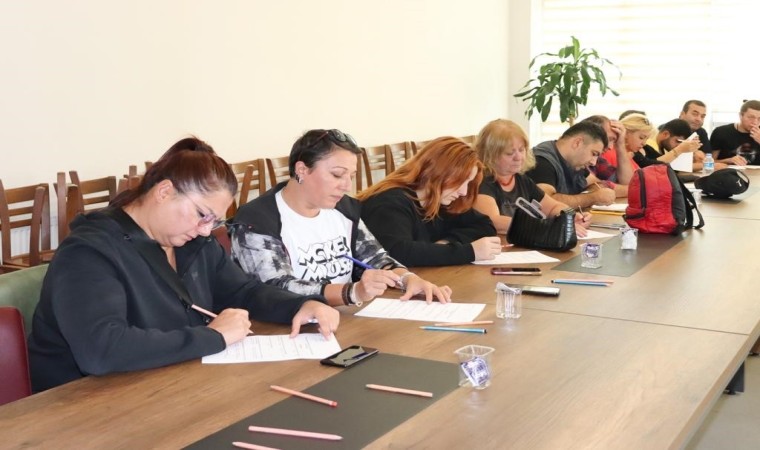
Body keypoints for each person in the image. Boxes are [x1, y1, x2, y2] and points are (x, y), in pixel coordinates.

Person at [27, 137, 339, 392]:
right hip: (84, 407)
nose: (206, 230)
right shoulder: (88, 252)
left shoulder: (192, 242)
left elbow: (243, 292)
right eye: (202, 215)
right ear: (164, 192)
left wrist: (301, 305)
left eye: (214, 221)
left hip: (168, 385)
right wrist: (214, 336)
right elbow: (101, 349)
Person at [230, 129, 451, 307]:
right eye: (337, 174)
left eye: (351, 176)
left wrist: (407, 278)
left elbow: (375, 257)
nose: (346, 185)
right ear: (302, 170)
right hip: (286, 330)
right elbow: (276, 287)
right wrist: (352, 292)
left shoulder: (344, 209)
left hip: (342, 319)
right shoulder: (257, 220)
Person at [357, 137, 500, 267]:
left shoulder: (442, 199)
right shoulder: (389, 202)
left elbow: (485, 225)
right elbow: (397, 253)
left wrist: (447, 242)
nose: (464, 191)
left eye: (468, 183)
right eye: (461, 181)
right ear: (439, 173)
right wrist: (469, 252)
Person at [473, 119, 591, 236]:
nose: (518, 157)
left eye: (521, 150)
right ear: (490, 155)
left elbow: (552, 207)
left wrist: (570, 217)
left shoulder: (521, 179)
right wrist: (546, 227)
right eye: (509, 153)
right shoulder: (481, 181)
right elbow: (494, 221)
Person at [526, 121, 615, 208]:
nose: (593, 162)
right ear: (577, 143)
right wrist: (593, 198)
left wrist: (593, 192)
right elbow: (544, 203)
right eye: (594, 153)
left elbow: (596, 184)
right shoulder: (542, 161)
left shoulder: (575, 162)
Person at [580, 115, 632, 197]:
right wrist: (630, 189)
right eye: (610, 139)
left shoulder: (598, 160)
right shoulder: (574, 158)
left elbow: (628, 182)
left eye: (614, 141)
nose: (610, 147)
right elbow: (597, 187)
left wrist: (620, 145)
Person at [642, 119, 716, 172]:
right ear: (665, 134)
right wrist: (680, 149)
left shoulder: (663, 144)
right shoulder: (648, 144)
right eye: (677, 141)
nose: (678, 146)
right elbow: (656, 166)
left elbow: (676, 166)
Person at [711, 99, 760, 165]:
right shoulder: (721, 132)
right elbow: (708, 163)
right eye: (751, 117)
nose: (755, 122)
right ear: (740, 116)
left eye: (759, 118)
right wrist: (729, 160)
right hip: (728, 171)